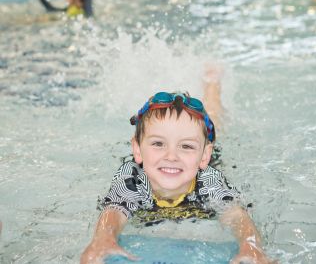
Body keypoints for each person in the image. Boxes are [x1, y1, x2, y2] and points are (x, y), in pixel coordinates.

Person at [81, 74, 274, 264]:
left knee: (215, 125)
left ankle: (212, 84)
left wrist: (251, 246)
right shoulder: (132, 177)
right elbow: (114, 210)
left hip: (207, 161)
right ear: (138, 150)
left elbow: (236, 215)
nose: (171, 156)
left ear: (203, 156)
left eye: (186, 146)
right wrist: (103, 239)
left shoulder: (209, 179)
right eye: (158, 143)